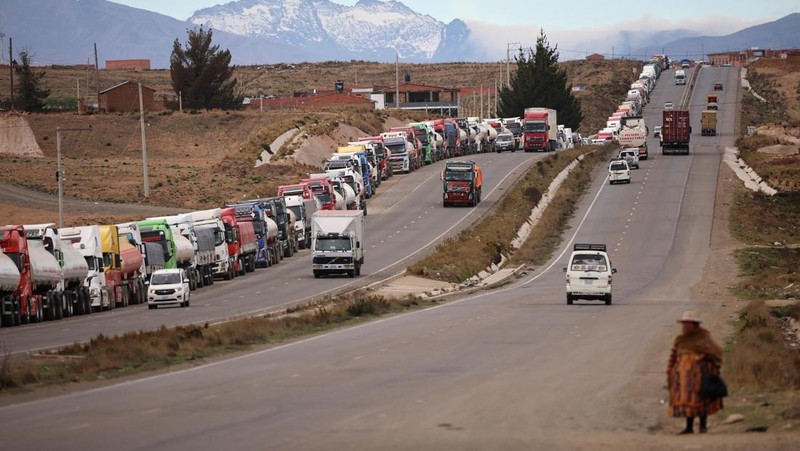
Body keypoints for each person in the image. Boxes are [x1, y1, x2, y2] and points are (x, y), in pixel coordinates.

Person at [667, 310, 724, 434]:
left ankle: (703, 426)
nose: (685, 326)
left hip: (700, 375)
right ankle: (689, 427)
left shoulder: (703, 336)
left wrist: (702, 358)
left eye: (688, 323)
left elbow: (714, 352)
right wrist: (670, 372)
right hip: (683, 378)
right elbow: (673, 355)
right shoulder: (680, 339)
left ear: (694, 324)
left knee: (701, 399)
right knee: (688, 402)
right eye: (684, 323)